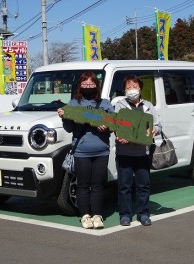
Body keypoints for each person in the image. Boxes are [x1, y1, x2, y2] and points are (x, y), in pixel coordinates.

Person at [57, 71, 114, 229]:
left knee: (97, 185)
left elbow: (114, 123)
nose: (88, 86)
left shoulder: (105, 103)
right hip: (81, 151)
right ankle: (84, 215)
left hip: (102, 150)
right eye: (85, 84)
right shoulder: (73, 104)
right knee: (82, 185)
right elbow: (69, 129)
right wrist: (65, 117)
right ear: (80, 86)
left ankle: (97, 215)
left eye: (91, 84)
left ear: (97, 86)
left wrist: (107, 126)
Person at [114, 74, 161, 226]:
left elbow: (158, 125)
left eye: (134, 87)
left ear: (140, 88)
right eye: (128, 87)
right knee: (124, 186)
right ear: (124, 90)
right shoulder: (120, 105)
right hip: (124, 152)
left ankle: (143, 214)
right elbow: (117, 126)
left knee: (143, 185)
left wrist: (154, 130)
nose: (131, 90)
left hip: (143, 152)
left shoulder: (148, 106)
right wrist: (120, 134)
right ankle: (125, 215)